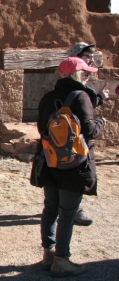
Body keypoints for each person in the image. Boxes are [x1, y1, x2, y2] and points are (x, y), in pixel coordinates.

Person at [35, 57, 106, 277]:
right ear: (76, 75)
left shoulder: (48, 97)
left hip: (50, 160)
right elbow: (89, 130)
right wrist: (101, 123)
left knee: (50, 208)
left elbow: (41, 128)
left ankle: (48, 254)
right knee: (67, 212)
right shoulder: (81, 97)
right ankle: (62, 260)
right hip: (74, 164)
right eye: (85, 73)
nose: (88, 77)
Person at [67, 42, 107, 226]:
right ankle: (74, 209)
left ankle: (68, 207)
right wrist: (99, 123)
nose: (90, 59)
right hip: (71, 138)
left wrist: (98, 99)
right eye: (87, 56)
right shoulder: (73, 83)